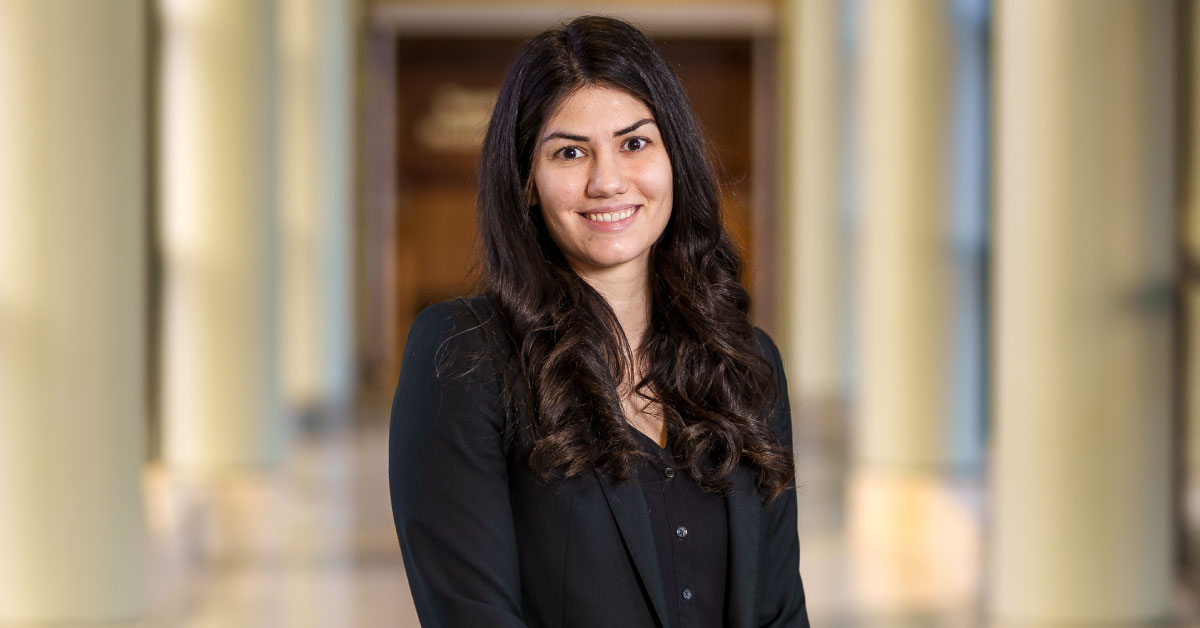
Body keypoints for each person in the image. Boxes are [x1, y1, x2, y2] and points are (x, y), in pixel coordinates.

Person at [389, 15, 809, 628]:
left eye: (635, 143)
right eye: (569, 152)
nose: (607, 181)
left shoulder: (746, 363)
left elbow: (779, 611)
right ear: (527, 182)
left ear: (674, 160)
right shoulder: (463, 355)